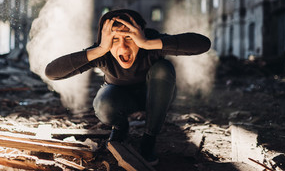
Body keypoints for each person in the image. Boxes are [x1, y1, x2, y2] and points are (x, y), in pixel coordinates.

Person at [45, 9, 211, 165]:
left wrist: (147, 43)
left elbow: (204, 44)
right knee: (104, 103)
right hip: (119, 100)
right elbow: (52, 72)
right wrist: (101, 49)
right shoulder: (103, 52)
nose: (123, 47)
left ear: (140, 35)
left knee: (164, 68)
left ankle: (149, 138)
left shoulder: (151, 42)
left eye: (129, 38)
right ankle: (120, 128)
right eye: (115, 39)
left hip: (154, 98)